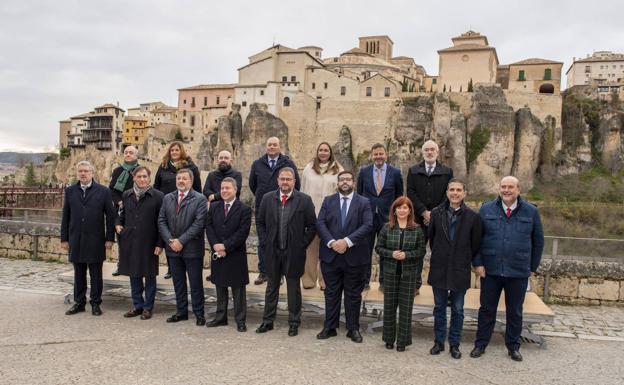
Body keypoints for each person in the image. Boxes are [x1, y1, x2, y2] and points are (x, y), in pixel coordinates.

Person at [470, 176, 544, 362]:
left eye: (510, 187)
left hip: (518, 270)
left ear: (518, 189)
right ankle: (480, 344)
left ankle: (513, 347)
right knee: (486, 310)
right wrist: (478, 263)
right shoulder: (486, 209)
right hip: (491, 270)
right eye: (503, 187)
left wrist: (532, 267)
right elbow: (476, 239)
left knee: (515, 311)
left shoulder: (531, 211)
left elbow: (538, 242)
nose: (506, 190)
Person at [255, 167, 316, 337]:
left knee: (293, 288)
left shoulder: (304, 200)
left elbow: (312, 225)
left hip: (294, 252)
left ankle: (294, 322)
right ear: (278, 181)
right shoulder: (268, 199)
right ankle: (267, 321)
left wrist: (301, 244)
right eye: (282, 179)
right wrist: (265, 241)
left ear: (294, 182)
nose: (285, 182)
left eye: (288, 179)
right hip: (272, 251)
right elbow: (260, 222)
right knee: (271, 287)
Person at [427, 179, 482, 359]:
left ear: (464, 193)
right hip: (440, 267)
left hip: (460, 269)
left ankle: (455, 344)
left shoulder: (473, 217)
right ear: (447, 192)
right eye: (452, 189)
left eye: (459, 190)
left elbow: (475, 245)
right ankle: (438, 342)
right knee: (439, 308)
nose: (455, 193)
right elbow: (432, 240)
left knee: (458, 309)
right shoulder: (436, 213)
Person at [316, 170, 373, 343]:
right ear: (338, 183)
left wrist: (346, 242)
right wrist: (333, 242)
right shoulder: (328, 201)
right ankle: (330, 327)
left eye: (348, 179)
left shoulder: (364, 202)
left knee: (353, 294)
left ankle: (353, 328)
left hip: (354, 256)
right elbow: (320, 223)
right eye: (342, 180)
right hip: (331, 255)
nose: (345, 182)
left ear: (354, 183)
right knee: (331, 293)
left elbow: (368, 225)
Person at [62, 161, 115, 316]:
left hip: (96, 239)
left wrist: (109, 238)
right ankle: (79, 303)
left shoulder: (103, 191)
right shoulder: (70, 191)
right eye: (80, 171)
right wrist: (64, 239)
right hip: (76, 239)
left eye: (86, 171)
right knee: (78, 273)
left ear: (92, 172)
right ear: (77, 173)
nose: (83, 173)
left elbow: (110, 217)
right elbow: (66, 216)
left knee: (96, 274)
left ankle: (95, 303)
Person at [158, 168, 208, 326]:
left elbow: (199, 224)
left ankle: (199, 313)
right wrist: (170, 240)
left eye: (184, 179)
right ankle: (181, 312)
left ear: (191, 181)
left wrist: (181, 241)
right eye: (178, 178)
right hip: (172, 248)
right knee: (178, 282)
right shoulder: (168, 198)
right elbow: (161, 220)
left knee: (195, 283)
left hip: (192, 249)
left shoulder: (200, 199)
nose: (180, 181)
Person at [375, 196, 426, 352]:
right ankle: (389, 339)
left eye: (405, 207)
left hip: (409, 275)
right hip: (390, 273)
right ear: (394, 210)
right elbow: (379, 248)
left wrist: (406, 255)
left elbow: (421, 251)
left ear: (410, 210)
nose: (402, 210)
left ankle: (402, 341)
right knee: (389, 307)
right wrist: (391, 254)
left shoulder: (417, 229)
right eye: (399, 207)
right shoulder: (386, 227)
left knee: (406, 309)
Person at [249, 137, 300, 285]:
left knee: (283, 240)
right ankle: (263, 272)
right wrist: (263, 197)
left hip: (284, 206)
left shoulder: (288, 163)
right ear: (266, 146)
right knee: (263, 241)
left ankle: (281, 273)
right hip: (263, 207)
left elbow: (296, 185)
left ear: (279, 146)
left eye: (275, 144)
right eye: (269, 144)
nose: (272, 147)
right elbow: (253, 185)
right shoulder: (257, 164)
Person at [115, 166, 164, 320]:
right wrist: (117, 224)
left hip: (149, 241)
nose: (142, 179)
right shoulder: (126, 194)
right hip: (130, 240)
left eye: (145, 176)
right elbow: (120, 215)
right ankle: (137, 305)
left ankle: (148, 308)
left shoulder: (158, 196)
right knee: (133, 275)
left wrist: (159, 243)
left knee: (150, 276)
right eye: (139, 177)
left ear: (149, 178)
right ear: (134, 178)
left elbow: (162, 222)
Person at [406, 139, 453, 294]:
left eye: (432, 149)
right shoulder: (413, 170)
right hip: (418, 219)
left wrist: (434, 213)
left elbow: (449, 194)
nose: (429, 152)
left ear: (437, 152)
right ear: (422, 152)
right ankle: (414, 284)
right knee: (416, 252)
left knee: (440, 252)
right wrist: (424, 212)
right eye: (426, 150)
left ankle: (440, 286)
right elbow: (411, 192)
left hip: (439, 220)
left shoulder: (447, 171)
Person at [205, 177, 252, 332]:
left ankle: (240, 320)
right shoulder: (214, 206)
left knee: (238, 289)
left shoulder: (244, 209)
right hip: (218, 253)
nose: (224, 191)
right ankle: (221, 317)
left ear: (235, 190)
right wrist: (216, 246)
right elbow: (209, 227)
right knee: (220, 285)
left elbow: (242, 233)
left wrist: (225, 246)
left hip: (235, 254)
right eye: (222, 188)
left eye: (228, 188)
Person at [356, 143, 403, 291]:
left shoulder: (395, 172)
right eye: (375, 154)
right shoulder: (364, 172)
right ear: (372, 156)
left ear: (386, 155)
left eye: (381, 154)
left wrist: (396, 216)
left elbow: (399, 196)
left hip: (386, 218)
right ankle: (364, 282)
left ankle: (384, 282)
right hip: (367, 218)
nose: (378, 157)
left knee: (386, 251)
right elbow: (359, 194)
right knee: (365, 250)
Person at [154, 141, 201, 279]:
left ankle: (185, 267)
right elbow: (156, 186)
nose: (174, 152)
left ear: (182, 151)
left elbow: (198, 188)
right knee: (168, 235)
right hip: (167, 205)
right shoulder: (163, 167)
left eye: (177, 150)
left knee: (184, 235)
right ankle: (171, 268)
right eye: (172, 150)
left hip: (187, 206)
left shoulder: (191, 167)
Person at [300, 142, 344, 290]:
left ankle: (325, 281)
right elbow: (302, 190)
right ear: (317, 152)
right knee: (310, 249)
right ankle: (308, 279)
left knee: (328, 250)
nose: (323, 152)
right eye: (321, 150)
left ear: (330, 153)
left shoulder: (338, 169)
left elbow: (341, 192)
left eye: (326, 150)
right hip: (311, 215)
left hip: (329, 217)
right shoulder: (308, 168)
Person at [109, 145, 140, 276]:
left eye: (131, 152)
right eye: (126, 152)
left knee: (136, 239)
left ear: (136, 155)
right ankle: (121, 266)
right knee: (121, 238)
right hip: (121, 209)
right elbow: (112, 190)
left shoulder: (140, 170)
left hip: (137, 209)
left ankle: (135, 266)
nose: (128, 154)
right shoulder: (117, 171)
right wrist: (119, 202)